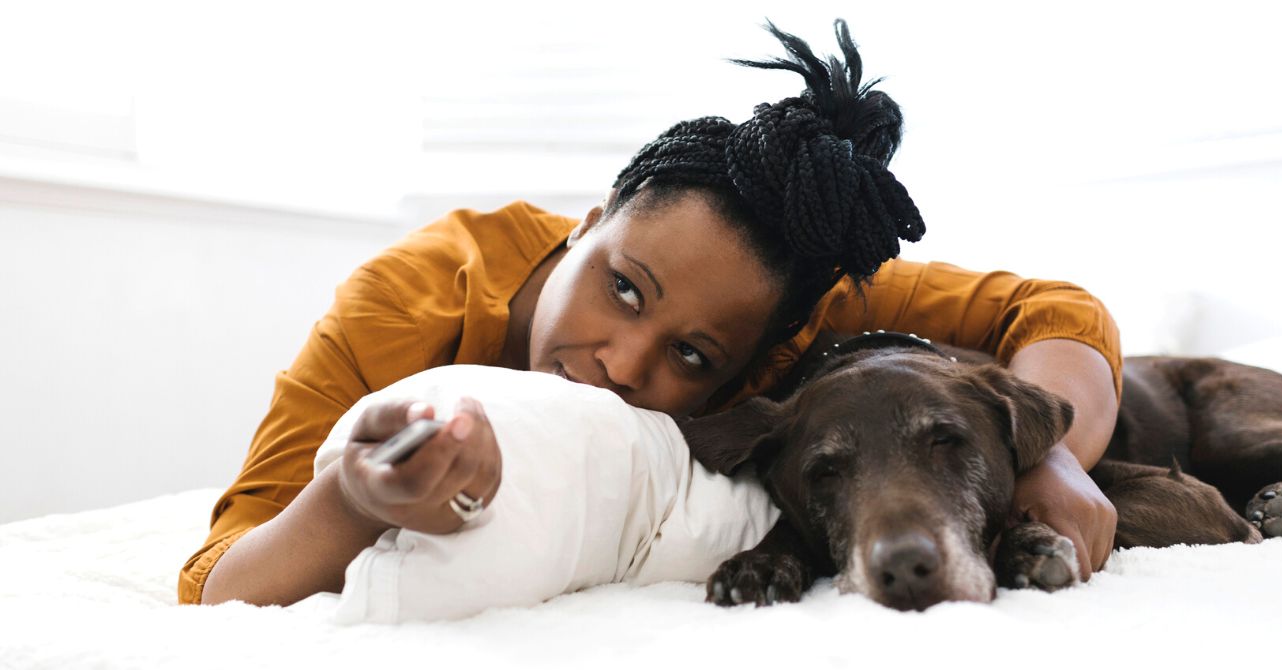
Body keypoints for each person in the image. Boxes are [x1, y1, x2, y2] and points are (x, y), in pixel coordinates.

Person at [183, 20, 1121, 607]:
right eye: (623, 287)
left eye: (696, 356)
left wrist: (1047, 460)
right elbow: (219, 584)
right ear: (588, 226)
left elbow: (1056, 311)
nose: (623, 366)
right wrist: (353, 494)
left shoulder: (794, 306)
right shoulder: (410, 303)